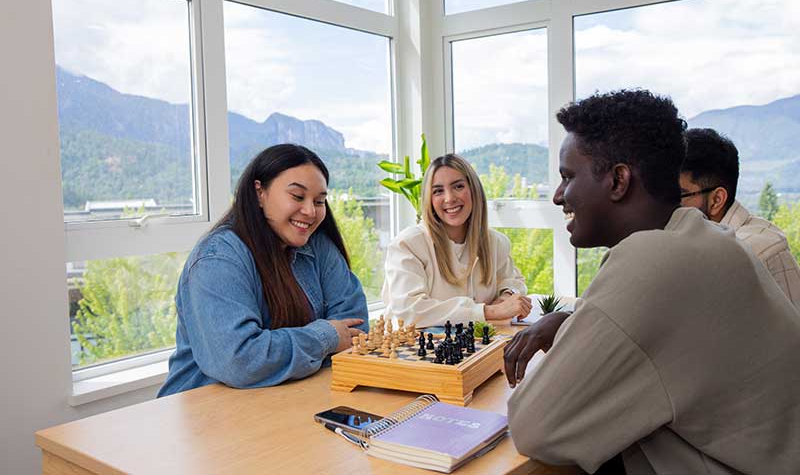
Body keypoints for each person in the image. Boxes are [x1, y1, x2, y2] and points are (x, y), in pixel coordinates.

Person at [504, 90, 800, 474]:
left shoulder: (653, 262)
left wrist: (575, 337)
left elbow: (533, 426)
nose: (559, 196)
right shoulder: (708, 238)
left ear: (618, 181)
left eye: (567, 177)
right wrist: (572, 327)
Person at [158, 144, 368, 397]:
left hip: (288, 399)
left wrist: (275, 360)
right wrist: (325, 339)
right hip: (205, 407)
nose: (311, 211)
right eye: (297, 197)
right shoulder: (218, 258)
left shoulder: (318, 246)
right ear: (259, 192)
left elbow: (355, 330)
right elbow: (239, 361)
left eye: (320, 201)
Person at [381, 154, 531, 328]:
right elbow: (409, 311)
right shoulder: (408, 245)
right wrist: (489, 312)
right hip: (412, 350)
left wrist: (507, 296)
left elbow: (513, 281)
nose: (449, 198)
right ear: (429, 199)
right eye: (438, 191)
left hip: (474, 348)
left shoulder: (495, 242)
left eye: (458, 186)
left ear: (474, 190)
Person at [680, 127, 800, 307]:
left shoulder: (760, 251)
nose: (668, 206)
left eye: (678, 196)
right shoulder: (690, 243)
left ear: (717, 200)